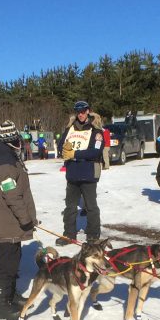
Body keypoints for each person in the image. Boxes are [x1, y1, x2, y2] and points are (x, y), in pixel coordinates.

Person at [0, 120, 37, 320]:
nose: (21, 142)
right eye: (18, 139)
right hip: (6, 224)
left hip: (9, 224)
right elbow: (12, 195)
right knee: (6, 267)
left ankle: (10, 295)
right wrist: (26, 219)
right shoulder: (4, 161)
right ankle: (1, 306)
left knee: (13, 263)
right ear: (12, 139)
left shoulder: (5, 156)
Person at [56, 100, 104, 245]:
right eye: (78, 112)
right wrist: (64, 150)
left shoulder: (96, 130)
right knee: (70, 207)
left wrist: (75, 154)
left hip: (88, 173)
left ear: (88, 111)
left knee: (91, 206)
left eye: (83, 111)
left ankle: (93, 236)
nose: (81, 114)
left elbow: (95, 151)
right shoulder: (69, 128)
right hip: (72, 174)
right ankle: (69, 234)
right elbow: (60, 146)